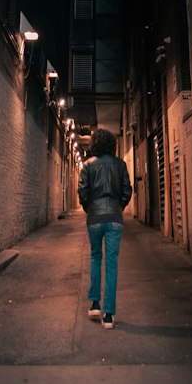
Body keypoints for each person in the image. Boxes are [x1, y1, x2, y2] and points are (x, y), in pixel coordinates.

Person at [78, 128, 132, 329]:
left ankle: (94, 304)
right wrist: (119, 207)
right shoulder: (120, 165)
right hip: (115, 218)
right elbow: (127, 190)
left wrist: (89, 208)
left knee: (95, 257)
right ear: (112, 145)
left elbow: (82, 191)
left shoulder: (88, 165)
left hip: (95, 218)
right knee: (111, 264)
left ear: (95, 145)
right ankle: (108, 315)